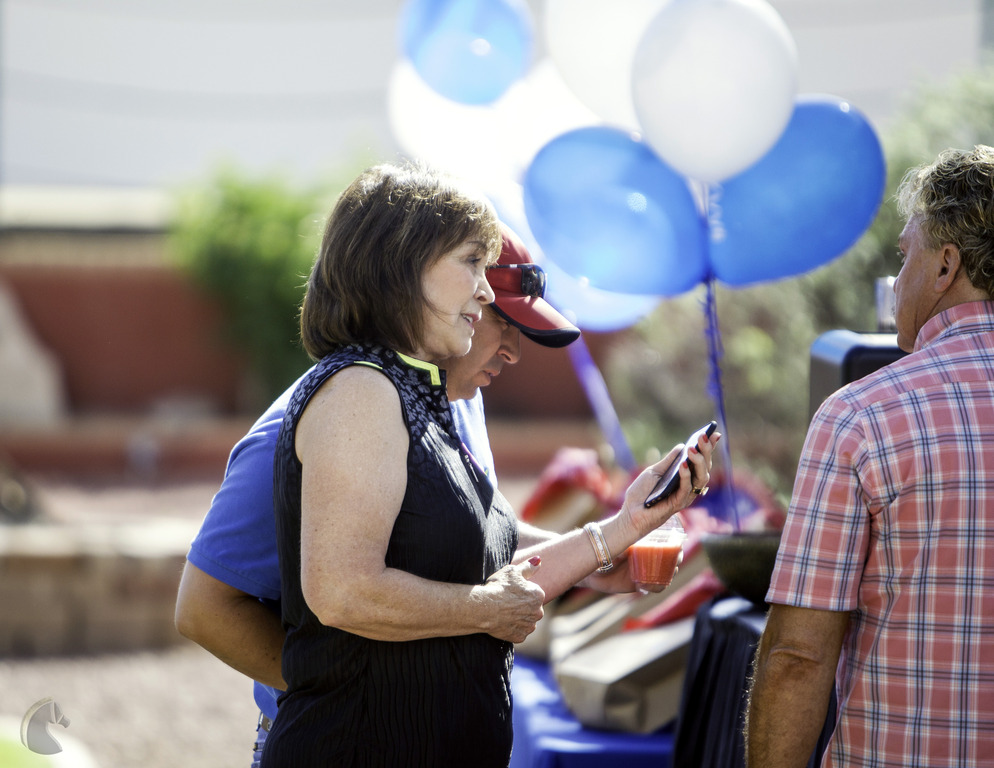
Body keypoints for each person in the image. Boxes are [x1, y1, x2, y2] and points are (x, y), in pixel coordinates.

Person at [252, 161, 714, 767]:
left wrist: (623, 531)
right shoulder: (362, 391)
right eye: (471, 262)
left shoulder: (415, 393)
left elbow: (482, 565)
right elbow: (341, 592)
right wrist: (485, 611)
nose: (487, 290)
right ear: (403, 262)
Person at [175, 222, 588, 765]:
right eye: (501, 320)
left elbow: (478, 540)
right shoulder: (330, 412)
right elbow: (203, 607)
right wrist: (342, 687)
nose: (513, 349)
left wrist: (603, 552)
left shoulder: (460, 397)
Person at [745, 146, 994, 768]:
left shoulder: (863, 414)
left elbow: (798, 657)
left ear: (945, 267)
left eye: (905, 254)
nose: (896, 279)